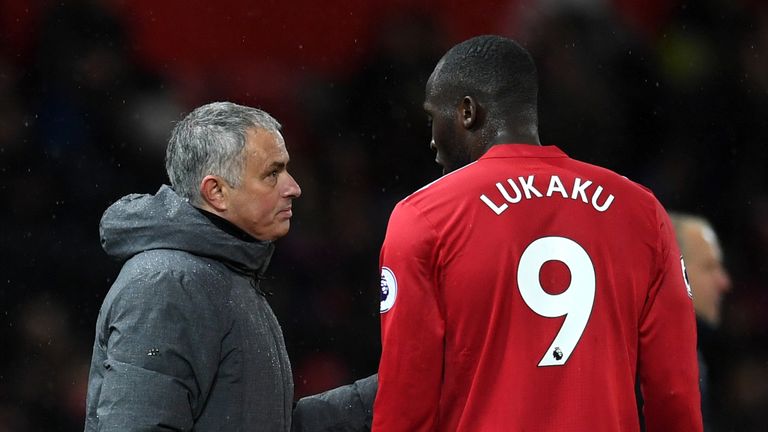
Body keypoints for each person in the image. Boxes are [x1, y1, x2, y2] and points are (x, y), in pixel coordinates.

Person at [373, 35, 702, 431]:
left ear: (466, 112)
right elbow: (674, 395)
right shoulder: (641, 211)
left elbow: (406, 405)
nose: (430, 139)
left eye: (432, 118)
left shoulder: (424, 218)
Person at [84, 101, 375, 432]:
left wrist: (371, 402)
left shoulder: (220, 274)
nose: (293, 187)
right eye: (272, 174)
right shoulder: (166, 284)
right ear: (216, 192)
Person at [669, 212, 732, 430]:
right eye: (709, 266)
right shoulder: (658, 364)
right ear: (674, 270)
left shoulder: (693, 355)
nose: (724, 282)